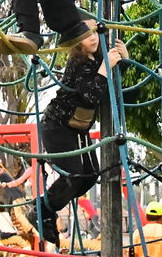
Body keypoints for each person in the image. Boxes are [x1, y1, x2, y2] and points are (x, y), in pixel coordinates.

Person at [29, 23, 129, 243]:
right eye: (86, 35)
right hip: (58, 126)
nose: (92, 38)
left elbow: (112, 87)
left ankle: (46, 212)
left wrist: (123, 60)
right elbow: (91, 95)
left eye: (95, 33)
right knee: (74, 176)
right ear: (76, 40)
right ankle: (41, 210)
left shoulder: (97, 58)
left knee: (90, 176)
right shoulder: (79, 62)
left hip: (78, 128)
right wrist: (107, 66)